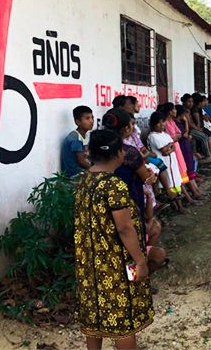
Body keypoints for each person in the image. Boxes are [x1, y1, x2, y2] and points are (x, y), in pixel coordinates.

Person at [73, 129, 153, 349]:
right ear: (119, 154)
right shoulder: (114, 185)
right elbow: (125, 228)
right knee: (122, 320)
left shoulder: (84, 181)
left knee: (95, 318)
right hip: (114, 263)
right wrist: (140, 260)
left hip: (89, 263)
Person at [103, 109, 157, 222]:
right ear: (126, 128)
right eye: (131, 124)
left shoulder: (99, 148)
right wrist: (151, 173)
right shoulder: (128, 152)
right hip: (130, 196)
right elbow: (146, 177)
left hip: (107, 197)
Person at [61, 106, 93, 178]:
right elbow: (82, 162)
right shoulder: (75, 139)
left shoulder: (86, 135)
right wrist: (96, 169)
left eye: (92, 117)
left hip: (83, 172)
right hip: (74, 175)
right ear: (78, 122)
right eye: (87, 118)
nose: (91, 121)